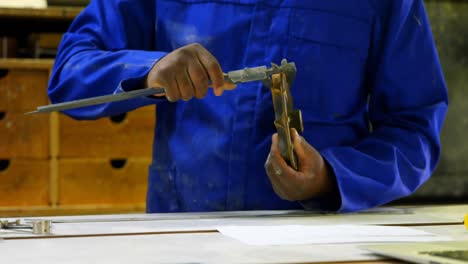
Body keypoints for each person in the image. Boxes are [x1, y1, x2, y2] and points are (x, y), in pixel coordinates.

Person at [48, 0, 448, 213]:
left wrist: (332, 178)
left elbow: (415, 130)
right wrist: (149, 70)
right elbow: (70, 71)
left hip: (319, 246)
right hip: (185, 239)